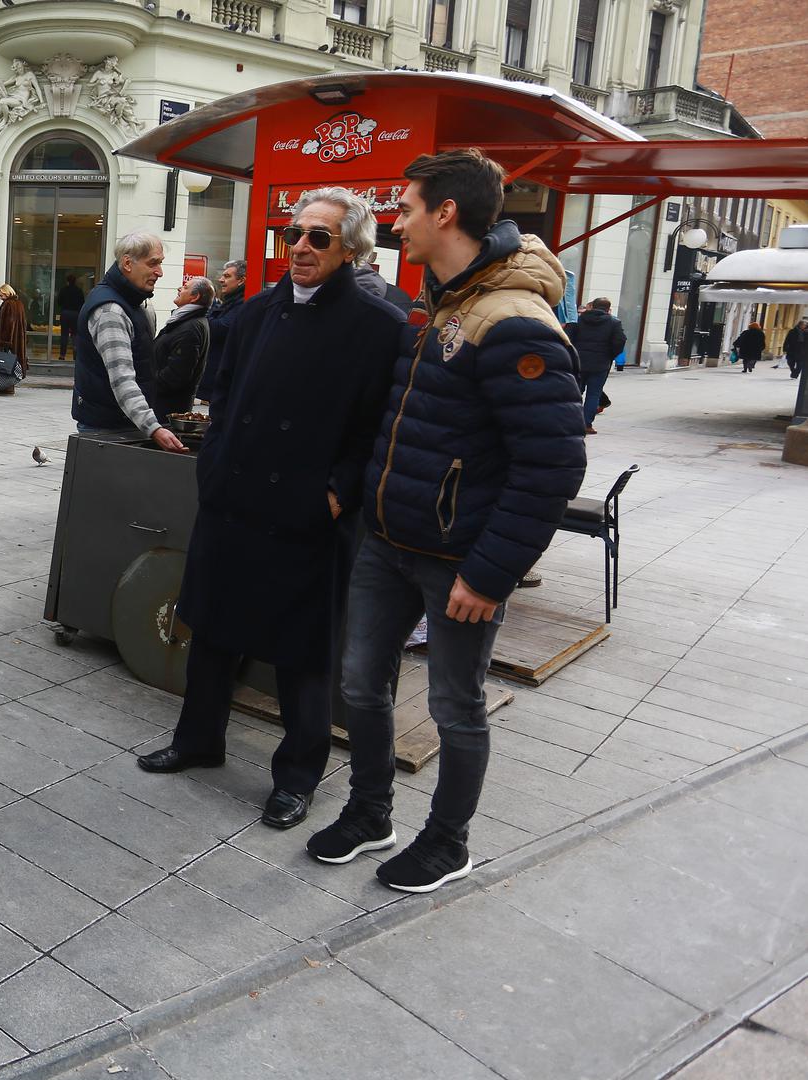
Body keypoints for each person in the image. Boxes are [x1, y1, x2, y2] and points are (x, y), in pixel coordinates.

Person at [306, 148, 585, 894]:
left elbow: (552, 467)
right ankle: (370, 813)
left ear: (445, 214)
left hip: (455, 563)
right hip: (386, 542)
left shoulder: (513, 322)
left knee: (453, 707)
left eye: (403, 209)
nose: (395, 223)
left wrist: (488, 574)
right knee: (361, 684)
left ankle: (446, 842)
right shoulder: (438, 301)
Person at [139, 190, 401, 834]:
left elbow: (378, 429)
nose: (301, 247)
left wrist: (337, 492)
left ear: (352, 250)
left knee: (302, 653)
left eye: (319, 237)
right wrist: (215, 465)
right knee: (213, 631)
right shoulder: (254, 313)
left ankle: (298, 776)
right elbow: (222, 398)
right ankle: (199, 738)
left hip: (307, 511)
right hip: (235, 500)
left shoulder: (380, 326)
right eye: (294, 234)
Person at [72, 232, 187, 453]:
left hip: (121, 424)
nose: (160, 272)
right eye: (153, 263)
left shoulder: (134, 302)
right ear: (127, 263)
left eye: (160, 263)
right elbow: (122, 378)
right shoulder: (110, 311)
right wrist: (153, 427)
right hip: (108, 429)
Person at [148, 275, 213, 422]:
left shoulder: (190, 327)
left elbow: (176, 375)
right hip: (165, 404)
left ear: (195, 297)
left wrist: (148, 382)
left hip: (166, 409)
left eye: (185, 287)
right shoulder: (185, 321)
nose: (179, 288)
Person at [566, 297, 626, 434]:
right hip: (600, 364)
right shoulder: (614, 323)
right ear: (608, 308)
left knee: (575, 393)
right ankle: (587, 424)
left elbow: (568, 337)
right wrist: (610, 355)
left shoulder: (578, 320)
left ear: (592, 306)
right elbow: (620, 341)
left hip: (579, 362)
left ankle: (571, 422)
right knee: (594, 395)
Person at [197, 258, 246, 402]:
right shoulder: (230, 302)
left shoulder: (242, 304)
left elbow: (221, 328)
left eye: (227, 276)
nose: (221, 279)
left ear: (241, 280)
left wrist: (201, 317)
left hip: (221, 379)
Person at [0, 282, 29, 386]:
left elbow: (9, 325)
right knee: (13, 364)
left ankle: (5, 386)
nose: (1, 298)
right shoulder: (19, 304)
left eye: (1, 295)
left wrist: (4, 342)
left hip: (8, 342)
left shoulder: (8, 304)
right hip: (17, 340)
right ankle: (9, 385)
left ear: (7, 293)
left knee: (5, 364)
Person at [57, 273, 85, 361]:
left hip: (65, 313)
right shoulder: (78, 291)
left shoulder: (63, 290)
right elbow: (82, 302)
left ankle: (62, 355)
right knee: (75, 335)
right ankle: (75, 355)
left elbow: (59, 301)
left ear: (67, 281)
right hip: (75, 314)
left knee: (64, 335)